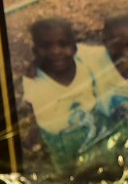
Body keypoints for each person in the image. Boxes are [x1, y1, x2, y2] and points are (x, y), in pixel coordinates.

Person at [19, 18, 102, 172]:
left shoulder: (85, 64)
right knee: (66, 169)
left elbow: (107, 52)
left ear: (75, 47)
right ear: (36, 51)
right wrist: (34, 132)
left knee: (93, 162)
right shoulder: (34, 80)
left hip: (89, 127)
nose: (55, 51)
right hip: (57, 139)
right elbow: (33, 109)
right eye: (46, 46)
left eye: (63, 44)